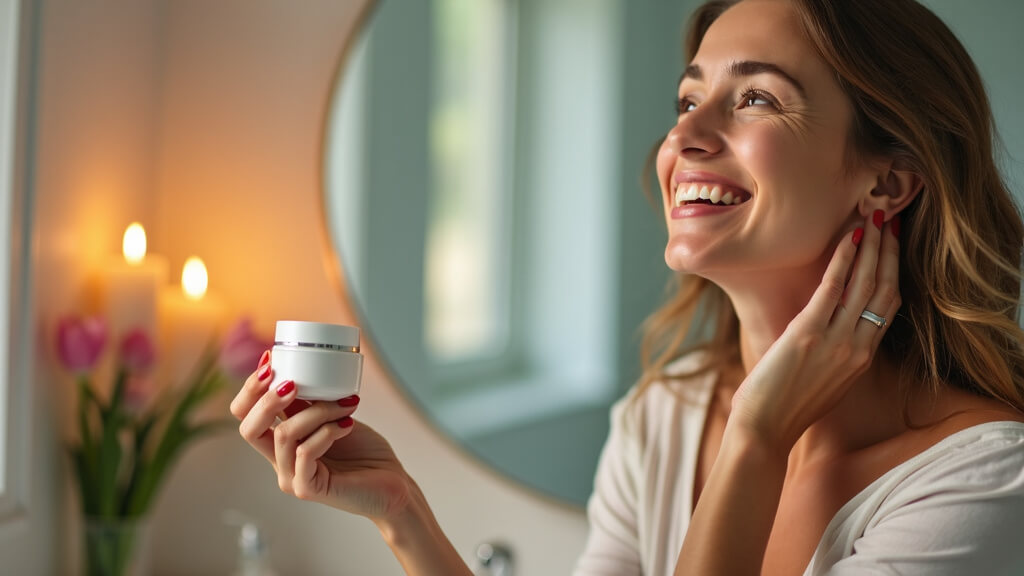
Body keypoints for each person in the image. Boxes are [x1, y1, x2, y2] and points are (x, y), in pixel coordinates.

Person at [230, 0, 1024, 573]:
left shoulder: (982, 484)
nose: (685, 135)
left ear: (886, 183)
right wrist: (403, 514)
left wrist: (756, 439)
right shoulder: (662, 422)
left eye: (755, 98)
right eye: (687, 99)